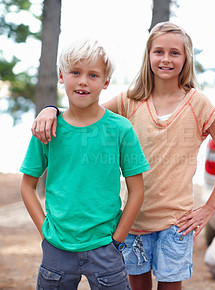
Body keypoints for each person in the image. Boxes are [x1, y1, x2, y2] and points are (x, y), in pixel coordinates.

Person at [31, 22, 215, 290]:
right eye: (159, 52)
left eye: (174, 53)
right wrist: (50, 109)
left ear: (186, 58)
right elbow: (82, 115)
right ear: (149, 55)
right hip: (132, 221)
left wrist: (210, 207)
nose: (166, 59)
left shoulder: (198, 103)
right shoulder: (129, 100)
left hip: (175, 223)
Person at [20, 39, 150, 289]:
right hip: (56, 249)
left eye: (93, 75)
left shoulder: (120, 129)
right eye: (75, 72)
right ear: (61, 75)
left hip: (106, 249)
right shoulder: (48, 128)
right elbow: (27, 187)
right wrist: (45, 232)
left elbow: (137, 190)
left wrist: (118, 239)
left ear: (106, 82)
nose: (83, 81)